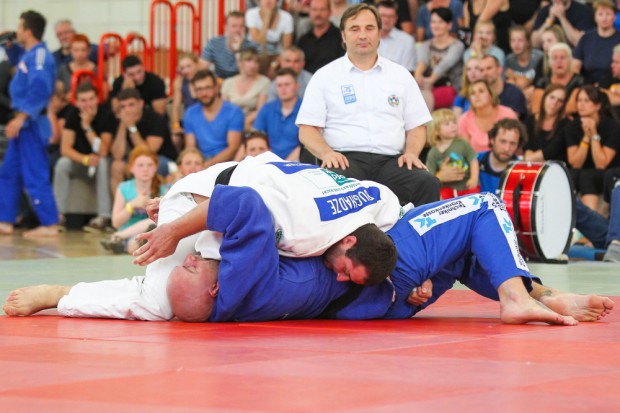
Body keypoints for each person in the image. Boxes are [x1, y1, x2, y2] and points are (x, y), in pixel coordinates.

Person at [133, 172, 613, 325]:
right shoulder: (312, 228)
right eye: (195, 268)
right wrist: (175, 220)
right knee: (484, 205)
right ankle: (518, 296)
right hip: (386, 277)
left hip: (379, 305)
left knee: (461, 246)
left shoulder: (254, 282)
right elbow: (235, 200)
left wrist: (176, 210)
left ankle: (539, 293)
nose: (195, 261)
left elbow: (226, 200)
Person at [4, 151, 405, 321]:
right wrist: (176, 221)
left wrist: (414, 278)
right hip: (211, 199)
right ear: (348, 241)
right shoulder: (304, 232)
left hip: (231, 182)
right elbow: (239, 203)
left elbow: (401, 215)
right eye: (345, 271)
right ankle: (59, 295)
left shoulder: (378, 204)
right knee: (163, 303)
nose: (338, 277)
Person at [296, 3, 440, 207]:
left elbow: (417, 126)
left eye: (369, 28)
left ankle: (421, 240)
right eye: (355, 29)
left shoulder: (400, 75)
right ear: (344, 36)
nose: (363, 35)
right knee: (330, 183)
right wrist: (327, 153)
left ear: (379, 34)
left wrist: (411, 153)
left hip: (393, 161)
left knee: (427, 183)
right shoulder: (325, 76)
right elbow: (307, 130)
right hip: (344, 160)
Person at [0, 10, 60, 238]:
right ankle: (5, 220)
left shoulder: (41, 56)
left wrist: (21, 117)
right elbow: (21, 65)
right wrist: (8, 45)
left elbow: (40, 89)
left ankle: (50, 223)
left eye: (19, 27)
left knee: (35, 173)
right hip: (23, 122)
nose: (17, 31)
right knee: (9, 173)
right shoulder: (29, 54)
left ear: (28, 30)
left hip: (32, 122)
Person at [53, 83, 115, 233]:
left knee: (102, 162)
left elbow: (103, 150)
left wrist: (87, 126)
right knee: (62, 163)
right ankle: (58, 216)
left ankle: (103, 217)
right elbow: (65, 149)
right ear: (77, 102)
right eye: (83, 100)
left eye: (91, 99)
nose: (88, 104)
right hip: (81, 162)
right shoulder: (73, 114)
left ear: (97, 99)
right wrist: (85, 159)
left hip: (101, 162)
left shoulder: (106, 114)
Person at [101, 146, 167, 254]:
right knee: (135, 243)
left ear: (155, 168)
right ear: (131, 168)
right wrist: (132, 205)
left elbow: (164, 218)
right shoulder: (124, 188)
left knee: (150, 224)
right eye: (140, 165)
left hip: (151, 232)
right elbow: (115, 223)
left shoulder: (163, 189)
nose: (145, 169)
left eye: (149, 165)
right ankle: (123, 241)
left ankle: (119, 239)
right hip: (128, 232)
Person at [109, 88, 176, 193]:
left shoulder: (156, 119)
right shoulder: (121, 120)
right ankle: (120, 207)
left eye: (131, 105)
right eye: (123, 107)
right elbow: (117, 155)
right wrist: (123, 125)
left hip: (163, 160)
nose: (127, 110)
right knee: (116, 166)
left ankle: (148, 206)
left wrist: (131, 127)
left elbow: (148, 152)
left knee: (145, 164)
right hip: (138, 159)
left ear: (141, 103)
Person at [566, 85, 620, 212]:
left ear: (597, 105)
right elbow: (575, 163)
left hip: (608, 173)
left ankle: (592, 221)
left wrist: (594, 134)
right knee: (570, 175)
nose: (581, 105)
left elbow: (601, 163)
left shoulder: (612, 126)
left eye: (586, 101)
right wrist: (586, 137)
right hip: (583, 170)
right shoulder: (571, 126)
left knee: (587, 176)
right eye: (579, 100)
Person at [183, 70, 244, 168]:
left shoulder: (233, 112)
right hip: (200, 162)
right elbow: (190, 147)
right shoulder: (190, 113)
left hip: (227, 164)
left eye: (208, 88)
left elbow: (233, 148)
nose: (204, 93)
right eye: (199, 89)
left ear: (216, 88)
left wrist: (206, 166)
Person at [414, 7, 464, 111]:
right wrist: (417, 77)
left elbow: (445, 64)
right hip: (427, 87)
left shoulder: (457, 45)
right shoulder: (425, 45)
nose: (436, 25)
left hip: (450, 87)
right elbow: (422, 62)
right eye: (433, 22)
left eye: (440, 22)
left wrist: (430, 80)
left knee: (423, 98)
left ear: (449, 25)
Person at [426, 109, 479, 200]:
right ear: (436, 130)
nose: (453, 126)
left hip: (467, 185)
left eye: (454, 122)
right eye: (447, 124)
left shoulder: (462, 143)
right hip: (447, 188)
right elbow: (430, 175)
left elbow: (473, 161)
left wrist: (474, 178)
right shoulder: (433, 153)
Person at [253, 68, 301, 160]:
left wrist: (284, 165)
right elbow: (256, 137)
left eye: (287, 84)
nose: (283, 89)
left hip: (298, 163)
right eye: (279, 85)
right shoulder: (267, 108)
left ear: (297, 86)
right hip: (268, 161)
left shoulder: (305, 109)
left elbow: (305, 145)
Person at [458, 79, 517, 153]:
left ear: (491, 95)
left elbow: (514, 144)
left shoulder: (508, 114)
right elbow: (465, 153)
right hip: (476, 162)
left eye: (481, 91)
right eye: (472, 93)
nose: (477, 95)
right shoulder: (464, 120)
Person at [221, 47, 270, 130]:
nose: (253, 65)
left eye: (256, 62)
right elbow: (223, 109)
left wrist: (243, 123)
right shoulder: (228, 82)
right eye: (249, 60)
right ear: (240, 62)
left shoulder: (264, 82)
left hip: (254, 124)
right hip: (230, 124)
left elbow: (261, 111)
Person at [572, 0, 620, 85]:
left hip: (614, 84)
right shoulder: (586, 38)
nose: (604, 18)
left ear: (614, 17)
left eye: (608, 14)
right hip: (587, 86)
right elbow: (575, 67)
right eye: (600, 14)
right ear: (595, 17)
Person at [200, 11, 258, 79]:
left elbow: (248, 74)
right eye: (234, 26)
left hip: (244, 82)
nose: (238, 30)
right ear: (226, 28)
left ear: (245, 29)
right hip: (220, 83)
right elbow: (201, 69)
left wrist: (238, 51)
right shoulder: (214, 43)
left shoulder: (253, 46)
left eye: (241, 26)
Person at [532, 42, 584, 115]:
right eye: (555, 58)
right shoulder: (542, 81)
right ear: (550, 62)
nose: (559, 61)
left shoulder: (579, 81)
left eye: (563, 58)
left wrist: (551, 114)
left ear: (570, 61)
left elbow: (572, 107)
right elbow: (536, 108)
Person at [524, 84, 569, 163]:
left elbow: (552, 150)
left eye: (560, 100)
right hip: (531, 165)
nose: (554, 103)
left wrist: (529, 158)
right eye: (552, 97)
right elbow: (526, 145)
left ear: (563, 105)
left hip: (555, 168)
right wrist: (529, 157)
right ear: (544, 98)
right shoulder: (530, 120)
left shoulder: (566, 124)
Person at [246, 0, 294, 74]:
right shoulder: (251, 14)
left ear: (277, 1)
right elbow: (258, 44)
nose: (268, 1)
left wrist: (274, 65)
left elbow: (286, 48)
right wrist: (266, 20)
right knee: (261, 57)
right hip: (254, 53)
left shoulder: (287, 17)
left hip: (275, 56)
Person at [297, 0, 345, 74]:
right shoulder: (303, 40)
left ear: (330, 12)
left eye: (322, 9)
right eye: (314, 9)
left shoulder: (341, 37)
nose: (318, 14)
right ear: (310, 12)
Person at [476, 118, 524, 193]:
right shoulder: (476, 161)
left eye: (512, 144)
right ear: (492, 139)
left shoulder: (522, 171)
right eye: (503, 141)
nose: (507, 148)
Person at [480, 54, 527, 119]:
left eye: (489, 68)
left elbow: (511, 124)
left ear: (499, 70)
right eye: (481, 70)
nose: (485, 73)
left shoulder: (514, 93)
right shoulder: (480, 95)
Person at [377, 0, 417, 72]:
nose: (386, 20)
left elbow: (407, 71)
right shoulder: (366, 38)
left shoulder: (407, 40)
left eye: (390, 16)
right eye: (383, 15)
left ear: (396, 18)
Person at [504, 25, 544, 94]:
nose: (516, 44)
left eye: (520, 40)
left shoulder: (538, 57)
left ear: (528, 42)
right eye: (513, 40)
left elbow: (540, 82)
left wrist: (514, 76)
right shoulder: (509, 60)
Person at [55, 33, 97, 98]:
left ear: (89, 50)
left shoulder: (96, 70)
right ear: (71, 50)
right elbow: (59, 94)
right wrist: (65, 97)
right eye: (76, 50)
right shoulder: (63, 70)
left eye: (83, 50)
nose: (80, 54)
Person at [170, 53, 199, 143]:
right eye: (182, 68)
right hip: (189, 120)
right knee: (175, 137)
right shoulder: (179, 82)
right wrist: (176, 125)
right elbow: (176, 106)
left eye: (189, 66)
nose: (186, 71)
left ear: (196, 65)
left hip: (206, 118)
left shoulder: (206, 79)